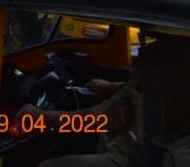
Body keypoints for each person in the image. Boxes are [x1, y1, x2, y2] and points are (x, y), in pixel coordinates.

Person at [20, 32, 190, 167]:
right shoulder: (180, 59)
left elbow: (98, 119)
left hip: (139, 157)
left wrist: (40, 117)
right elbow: (155, 95)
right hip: (160, 147)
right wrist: (114, 87)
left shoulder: (158, 64)